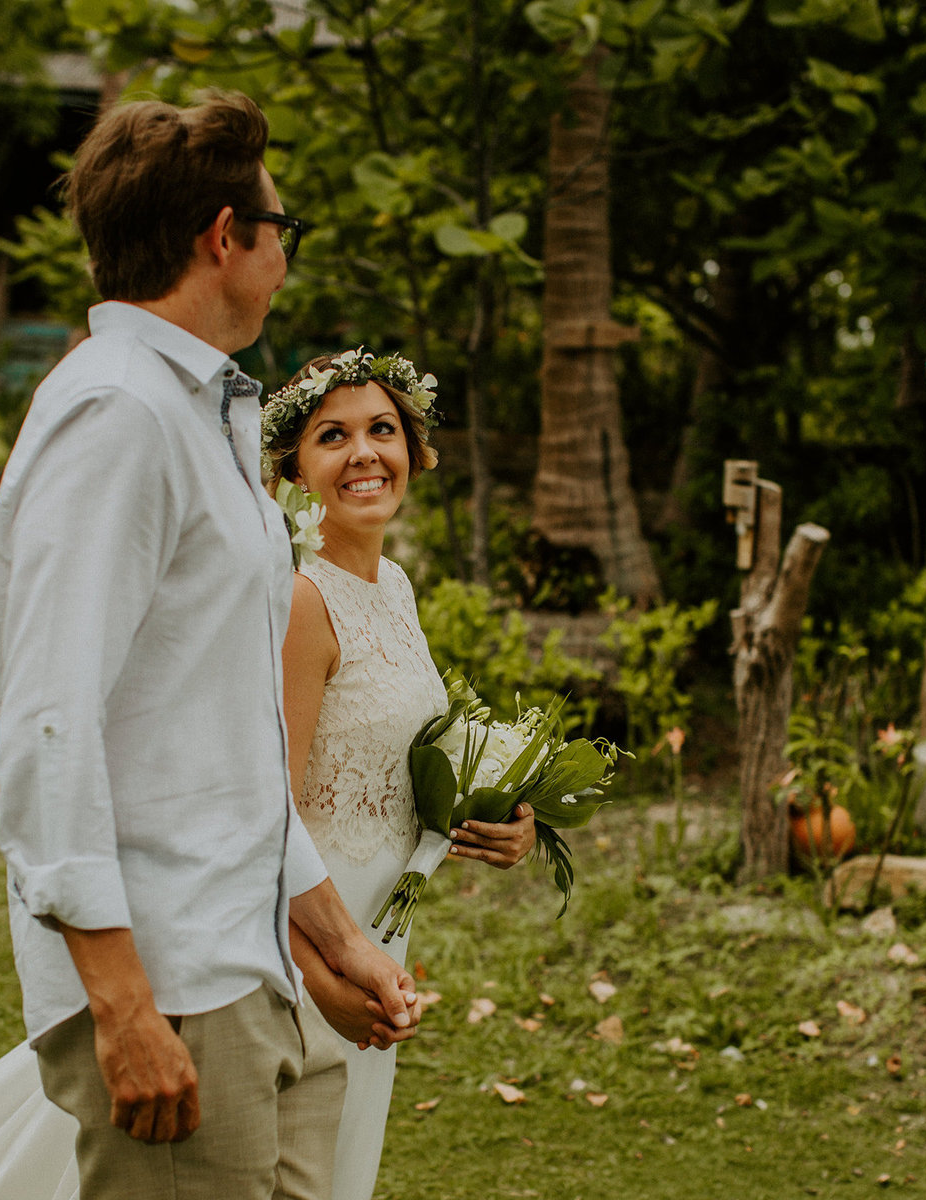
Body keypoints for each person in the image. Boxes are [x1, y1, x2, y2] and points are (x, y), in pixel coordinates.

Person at [0, 91, 420, 1200]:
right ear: (223, 236)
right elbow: (49, 717)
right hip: (170, 979)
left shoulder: (198, 413)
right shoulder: (118, 415)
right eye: (284, 230)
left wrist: (330, 931)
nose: (286, 255)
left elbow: (222, 737)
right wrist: (121, 1004)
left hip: (252, 964)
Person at [263, 347, 537, 1200]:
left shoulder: (398, 586)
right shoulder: (302, 601)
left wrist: (504, 819)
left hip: (385, 927)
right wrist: (321, 970)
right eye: (331, 436)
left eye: (382, 429)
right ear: (293, 469)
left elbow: (397, 766)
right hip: (304, 933)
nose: (364, 454)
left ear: (415, 450)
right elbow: (265, 812)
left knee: (344, 1160)